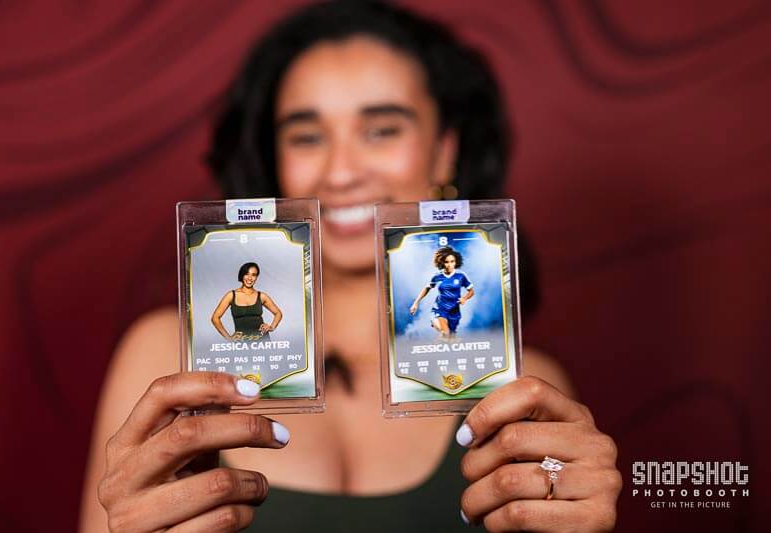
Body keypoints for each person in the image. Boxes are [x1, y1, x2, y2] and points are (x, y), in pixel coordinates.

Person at [80, 2, 621, 531]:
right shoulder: (164, 360)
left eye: (382, 129)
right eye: (307, 136)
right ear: (275, 162)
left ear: (443, 151)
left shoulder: (524, 384)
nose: (340, 172)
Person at [410, 246, 473, 339]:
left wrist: (464, 298)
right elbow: (427, 288)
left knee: (450, 340)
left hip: (454, 311)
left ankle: (434, 349)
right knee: (445, 333)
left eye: (452, 262)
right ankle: (434, 320)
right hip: (440, 309)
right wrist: (416, 303)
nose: (449, 265)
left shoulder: (461, 276)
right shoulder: (437, 276)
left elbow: (471, 291)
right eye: (446, 262)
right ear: (442, 262)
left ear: (456, 262)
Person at [211, 262, 282, 342]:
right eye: (247, 274)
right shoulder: (231, 295)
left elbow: (278, 313)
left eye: (253, 275)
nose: (250, 278)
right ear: (242, 275)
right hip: (242, 342)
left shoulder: (261, 296)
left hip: (263, 341)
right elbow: (215, 318)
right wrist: (229, 338)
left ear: (256, 277)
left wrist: (271, 327)